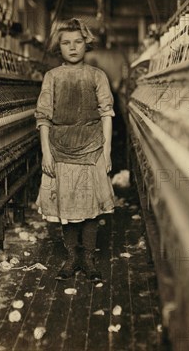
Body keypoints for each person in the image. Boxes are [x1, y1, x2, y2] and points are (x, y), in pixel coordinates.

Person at [34, 18, 115, 282]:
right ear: (59, 47)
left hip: (92, 150)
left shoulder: (97, 76)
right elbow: (43, 117)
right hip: (60, 150)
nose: (72, 48)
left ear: (86, 44)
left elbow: (107, 114)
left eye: (78, 42)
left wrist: (107, 151)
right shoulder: (52, 77)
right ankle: (71, 258)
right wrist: (46, 153)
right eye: (66, 43)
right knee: (66, 210)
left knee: (91, 208)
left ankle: (89, 259)